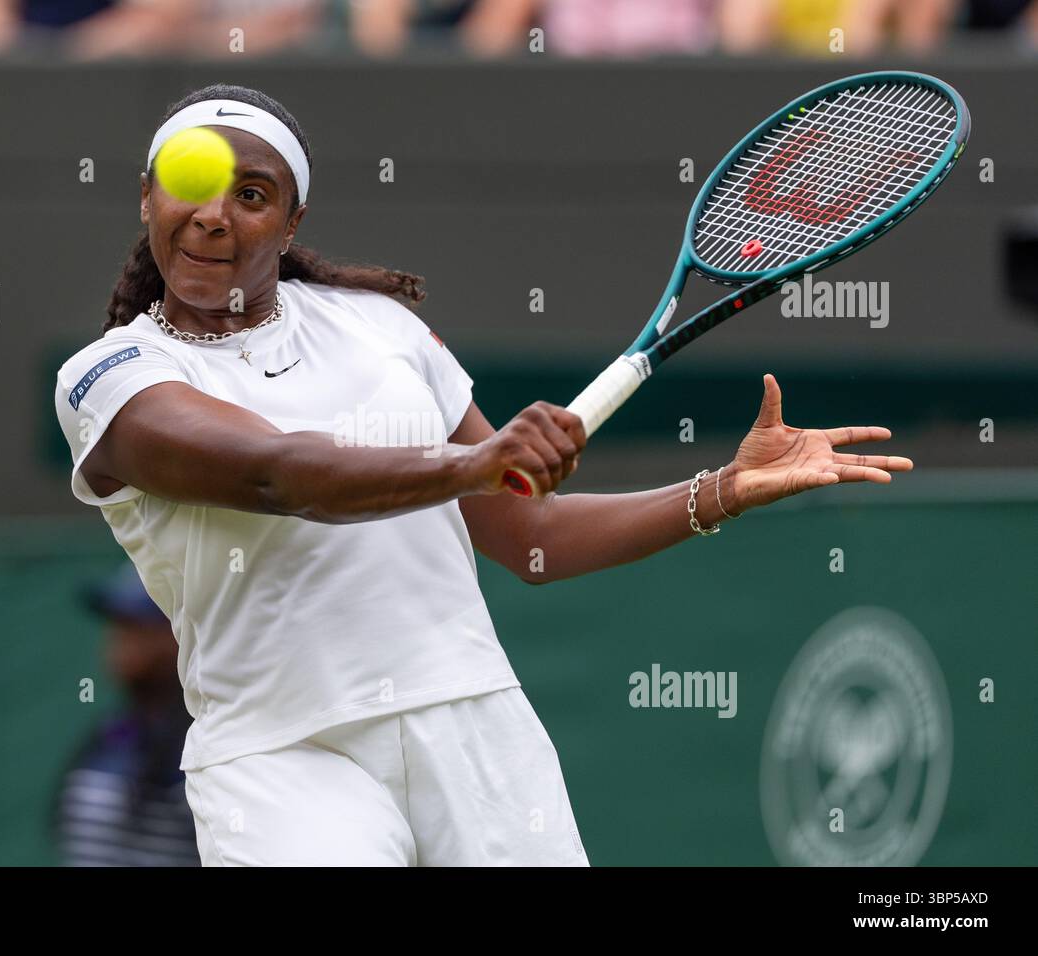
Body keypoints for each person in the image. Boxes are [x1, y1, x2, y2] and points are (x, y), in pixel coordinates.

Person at [53, 83, 913, 866]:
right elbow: (281, 475)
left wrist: (718, 491)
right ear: (146, 196)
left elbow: (527, 535)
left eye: (252, 196)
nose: (212, 215)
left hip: (474, 724)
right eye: (188, 183)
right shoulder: (111, 377)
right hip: (281, 757)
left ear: (291, 223)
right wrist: (475, 462)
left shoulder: (379, 326)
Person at [53, 562, 199, 866]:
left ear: (178, 635)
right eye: (118, 626)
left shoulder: (209, 743)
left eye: (136, 625)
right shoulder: (111, 733)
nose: (119, 641)